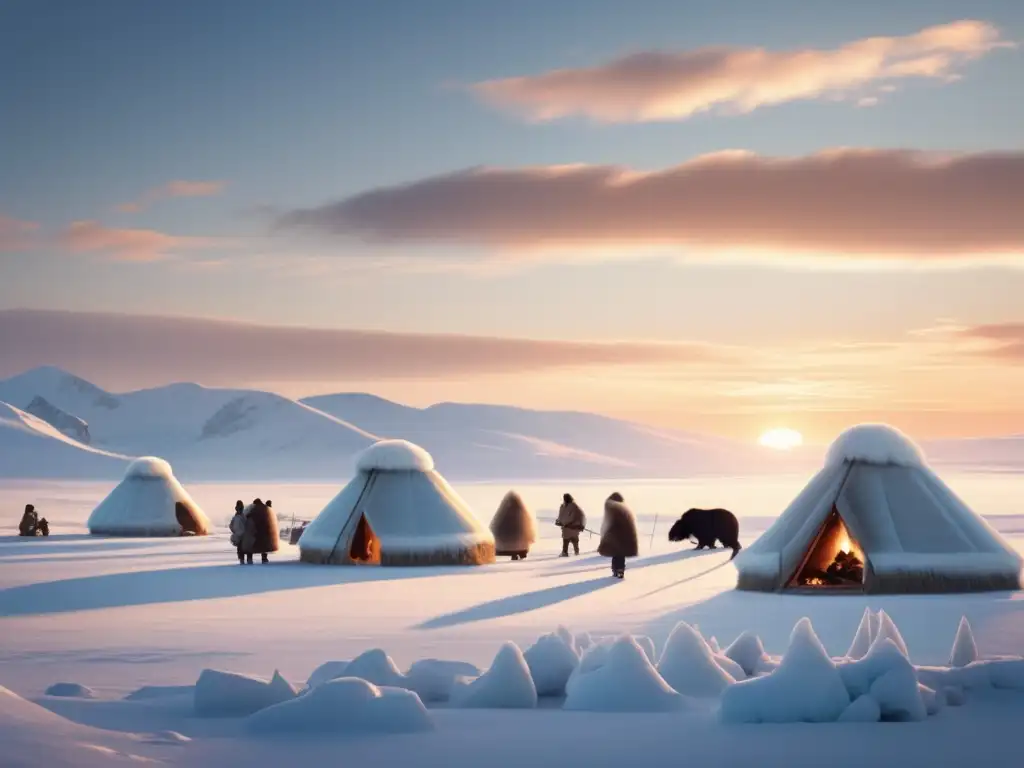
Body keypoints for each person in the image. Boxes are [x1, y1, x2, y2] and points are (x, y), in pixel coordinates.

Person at [598, 491, 639, 579]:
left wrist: (606, 535)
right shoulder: (625, 509)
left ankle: (616, 570)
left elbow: (608, 523)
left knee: (616, 554)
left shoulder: (612, 509)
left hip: (615, 535)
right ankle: (620, 570)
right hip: (624, 535)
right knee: (620, 554)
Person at [246, 498, 280, 565]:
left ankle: (249, 559)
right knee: (263, 546)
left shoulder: (254, 509)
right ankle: (264, 559)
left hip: (256, 530)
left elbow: (248, 516)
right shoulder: (264, 508)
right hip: (264, 531)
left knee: (251, 545)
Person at [229, 500, 246, 564]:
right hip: (243, 534)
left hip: (238, 535)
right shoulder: (243, 517)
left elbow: (231, 526)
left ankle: (241, 559)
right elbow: (246, 524)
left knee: (240, 548)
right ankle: (246, 559)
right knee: (243, 547)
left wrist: (234, 531)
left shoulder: (235, 517)